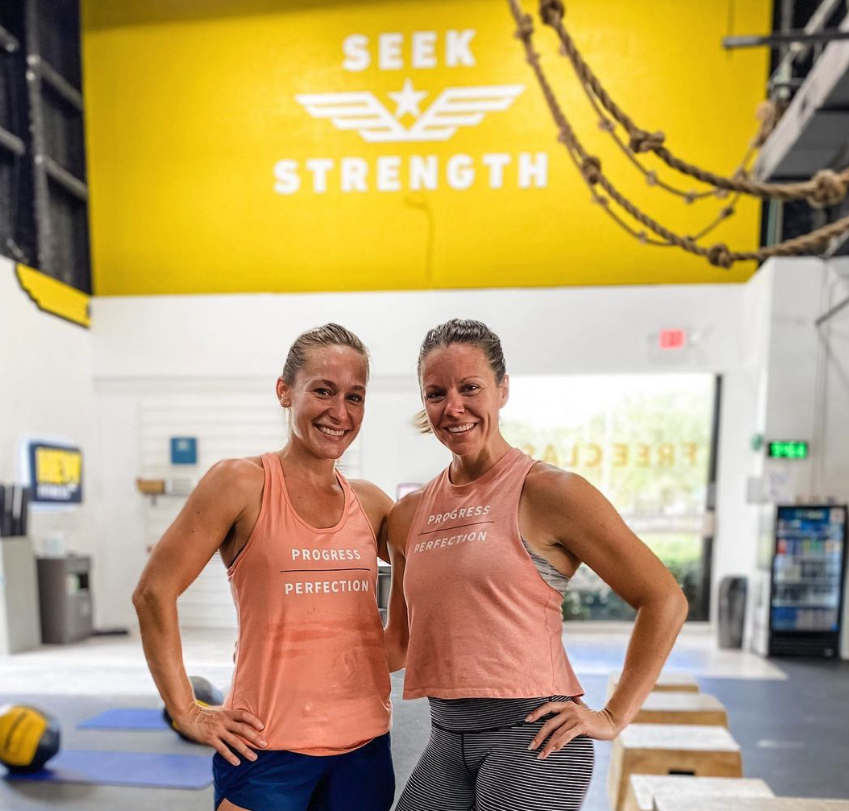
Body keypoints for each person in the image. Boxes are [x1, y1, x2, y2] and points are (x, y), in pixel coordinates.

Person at [384, 319, 688, 811]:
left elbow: (664, 599)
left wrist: (612, 717)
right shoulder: (409, 515)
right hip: (446, 736)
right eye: (436, 393)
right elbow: (397, 643)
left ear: (503, 390)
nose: (453, 407)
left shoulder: (550, 493)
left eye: (470, 387)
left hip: (533, 740)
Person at [133, 324, 395, 811]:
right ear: (284, 391)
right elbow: (153, 592)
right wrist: (186, 711)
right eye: (323, 390)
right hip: (266, 747)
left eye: (355, 397)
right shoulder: (240, 483)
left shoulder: (373, 504)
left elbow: (448, 569)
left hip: (365, 748)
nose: (340, 412)